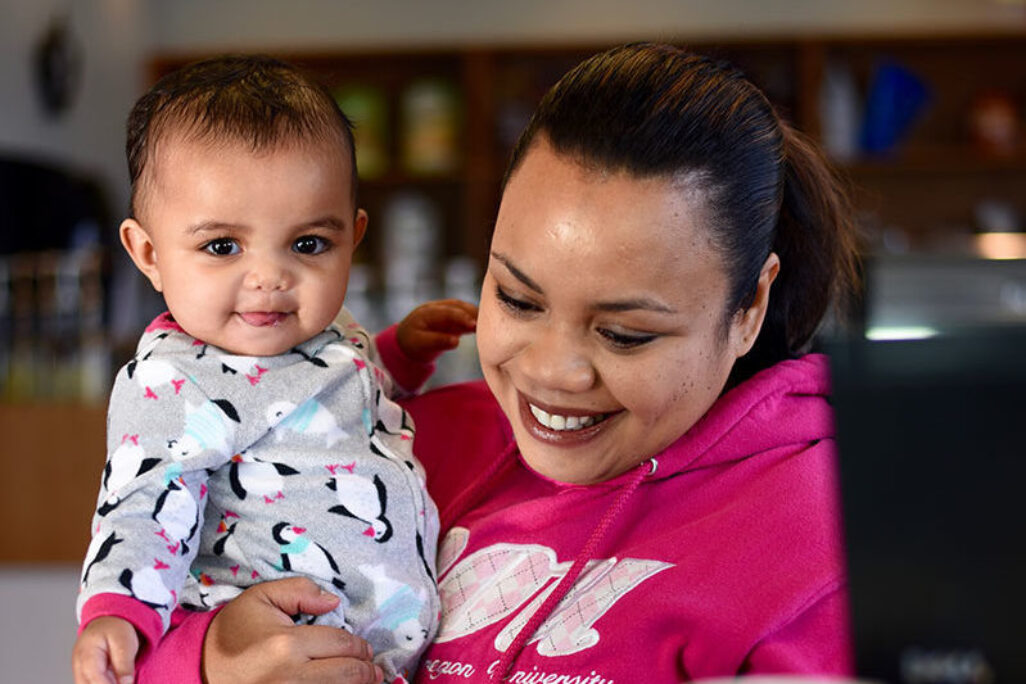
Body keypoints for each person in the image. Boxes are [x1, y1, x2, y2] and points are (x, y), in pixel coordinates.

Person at [136, 42, 861, 683]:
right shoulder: (399, 441)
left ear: (749, 308)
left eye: (626, 335)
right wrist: (206, 659)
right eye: (518, 299)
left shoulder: (829, 540)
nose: (553, 372)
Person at [71, 55, 477, 684]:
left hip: (378, 651)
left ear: (353, 239)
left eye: (308, 244)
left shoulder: (332, 337)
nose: (270, 278)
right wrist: (118, 612)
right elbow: (142, 504)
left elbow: (351, 392)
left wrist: (402, 352)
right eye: (222, 246)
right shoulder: (174, 381)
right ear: (148, 253)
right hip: (277, 650)